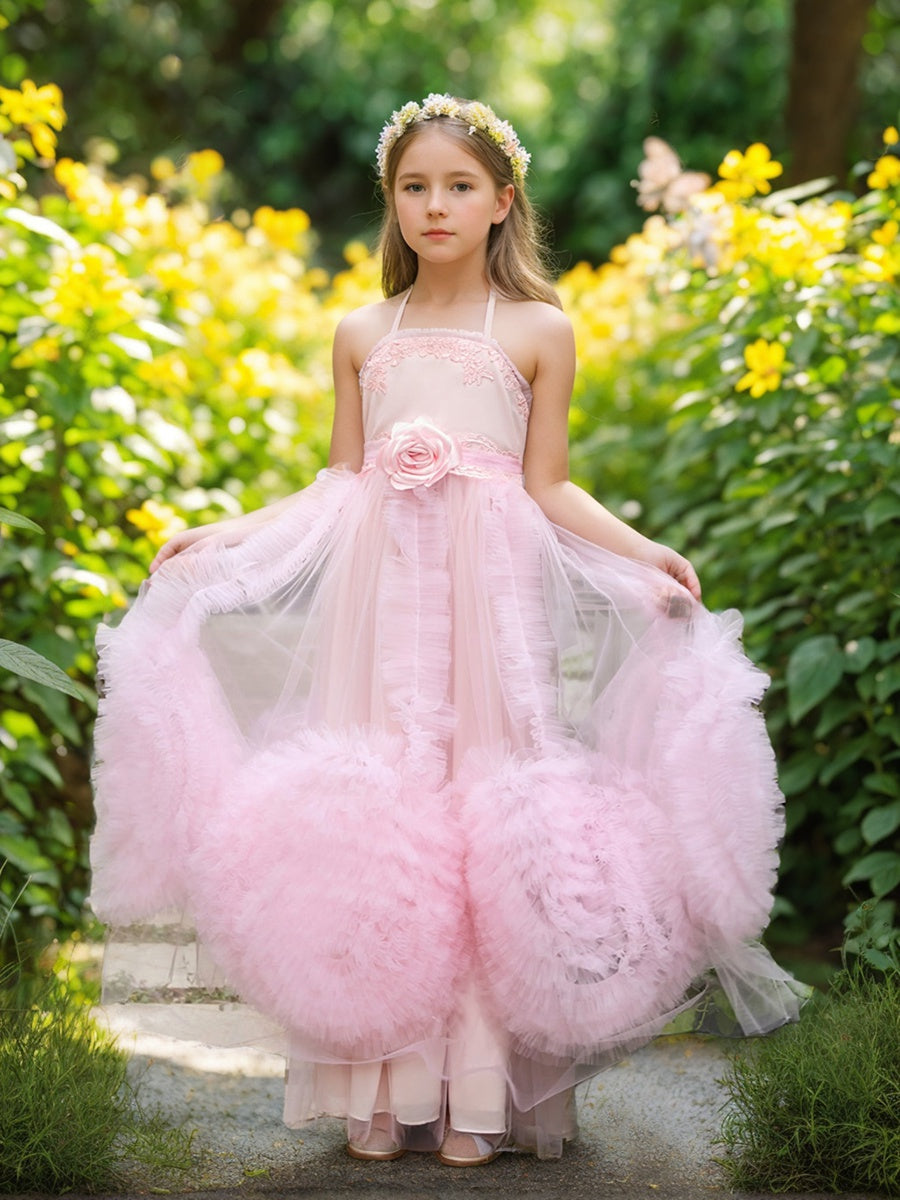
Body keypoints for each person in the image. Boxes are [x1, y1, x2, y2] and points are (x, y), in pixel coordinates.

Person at [90, 94, 805, 1168]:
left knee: (481, 810)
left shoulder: (536, 329)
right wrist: (220, 532)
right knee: (385, 815)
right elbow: (337, 478)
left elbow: (551, 486)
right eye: (414, 187)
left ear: (501, 202)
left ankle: (479, 1094)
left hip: (490, 602)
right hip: (383, 605)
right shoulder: (363, 332)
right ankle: (382, 1090)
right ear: (391, 202)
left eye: (459, 186)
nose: (435, 205)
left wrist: (641, 555)